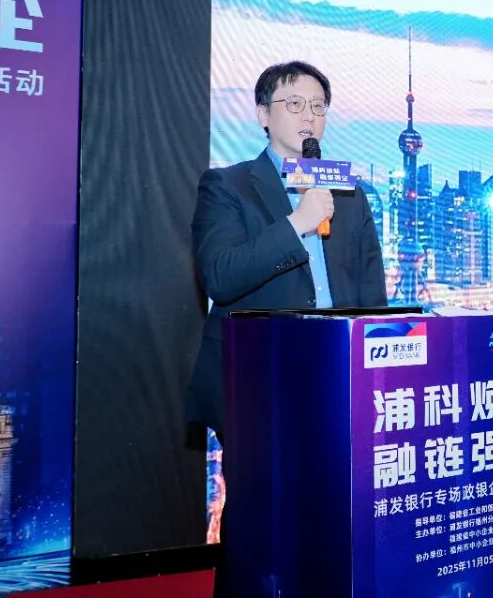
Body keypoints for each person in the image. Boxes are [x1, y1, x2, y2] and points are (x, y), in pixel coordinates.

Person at [188, 61, 387, 595]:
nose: (309, 117)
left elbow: (370, 290)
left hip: (336, 375)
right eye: (294, 104)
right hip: (259, 381)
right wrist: (298, 222)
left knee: (335, 508)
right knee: (261, 513)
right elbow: (220, 275)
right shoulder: (228, 185)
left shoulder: (349, 193)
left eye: (319, 107)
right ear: (263, 115)